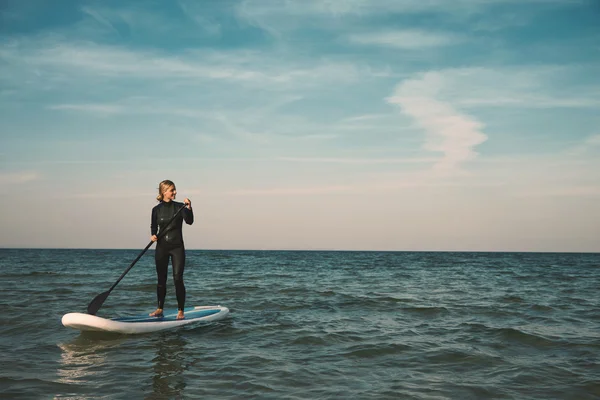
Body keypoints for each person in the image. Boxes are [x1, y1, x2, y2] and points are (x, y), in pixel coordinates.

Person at [149, 180, 194, 320]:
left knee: (177, 278)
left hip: (177, 248)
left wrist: (189, 207)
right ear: (164, 192)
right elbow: (153, 226)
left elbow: (190, 221)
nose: (175, 192)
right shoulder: (156, 210)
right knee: (161, 279)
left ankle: (181, 310)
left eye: (175, 190)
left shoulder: (180, 207)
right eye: (172, 190)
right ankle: (159, 309)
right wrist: (153, 235)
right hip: (162, 247)